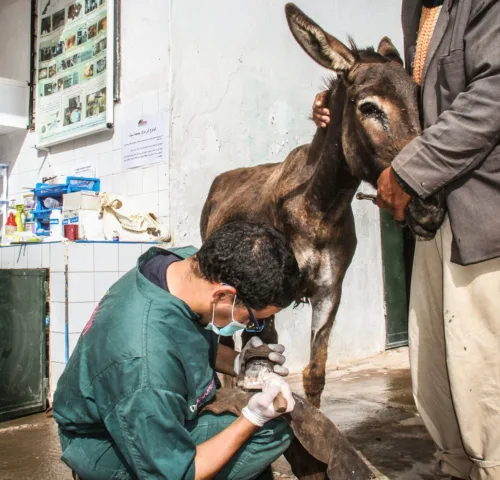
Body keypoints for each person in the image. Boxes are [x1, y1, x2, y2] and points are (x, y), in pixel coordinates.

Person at [313, 1, 500, 479]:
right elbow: (413, 93)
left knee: (482, 370)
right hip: (434, 215)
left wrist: (409, 171)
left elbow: (492, 95)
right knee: (434, 368)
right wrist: (338, 104)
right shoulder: (415, 11)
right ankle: (456, 467)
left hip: (482, 211)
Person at [53, 221, 302, 480]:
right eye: (252, 318)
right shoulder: (145, 365)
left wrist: (239, 362)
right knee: (272, 428)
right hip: (102, 443)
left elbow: (182, 334)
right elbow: (178, 475)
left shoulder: (186, 268)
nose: (250, 326)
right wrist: (252, 418)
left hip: (137, 402)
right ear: (222, 296)